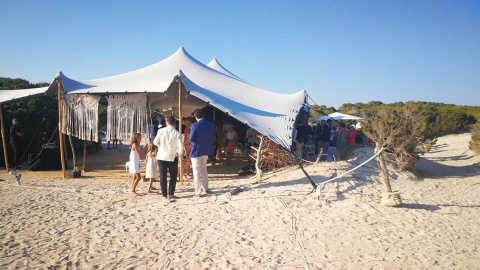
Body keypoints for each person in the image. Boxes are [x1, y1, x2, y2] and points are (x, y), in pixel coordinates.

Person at [154, 115, 183, 200]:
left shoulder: (160, 131)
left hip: (162, 155)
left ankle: (164, 195)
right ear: (174, 123)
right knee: (173, 176)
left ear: (167, 122)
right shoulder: (177, 133)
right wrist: (179, 154)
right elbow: (181, 147)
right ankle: (170, 194)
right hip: (172, 156)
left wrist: (161, 145)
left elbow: (155, 142)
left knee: (163, 176)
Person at [189, 109, 215, 196]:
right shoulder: (210, 124)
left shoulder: (195, 125)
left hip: (196, 149)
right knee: (204, 169)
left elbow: (191, 138)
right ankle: (206, 188)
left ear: (195, 116)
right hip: (206, 149)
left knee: (196, 171)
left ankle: (198, 191)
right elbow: (212, 137)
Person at [9, 117, 24, 184]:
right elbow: (19, 134)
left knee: (18, 153)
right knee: (17, 153)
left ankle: (15, 168)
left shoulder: (17, 127)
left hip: (17, 142)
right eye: (15, 121)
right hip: (14, 142)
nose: (16, 122)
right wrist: (21, 134)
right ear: (12, 121)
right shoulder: (14, 127)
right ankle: (15, 166)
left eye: (17, 121)